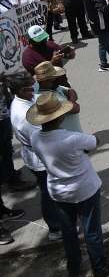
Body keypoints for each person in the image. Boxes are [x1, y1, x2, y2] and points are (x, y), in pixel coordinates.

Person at [28, 92, 109, 277]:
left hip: (59, 192)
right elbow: (95, 142)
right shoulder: (71, 138)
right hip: (84, 189)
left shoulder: (35, 138)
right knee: (91, 231)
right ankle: (99, 268)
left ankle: (74, 268)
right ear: (60, 116)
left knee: (68, 233)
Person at [7, 74, 62, 242]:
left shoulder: (24, 99)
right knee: (48, 193)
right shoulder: (23, 115)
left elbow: (38, 98)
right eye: (29, 89)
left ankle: (60, 220)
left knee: (51, 190)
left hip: (39, 153)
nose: (33, 91)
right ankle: (55, 228)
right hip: (40, 157)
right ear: (20, 90)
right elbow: (42, 138)